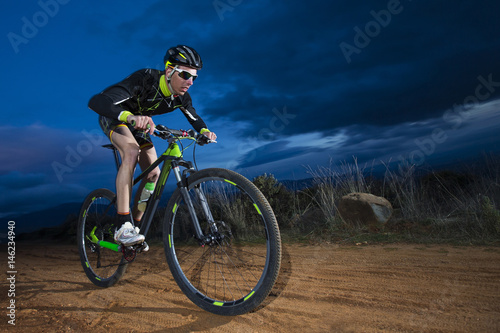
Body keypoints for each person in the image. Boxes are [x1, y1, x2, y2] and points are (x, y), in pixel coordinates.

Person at [88, 45, 217, 249]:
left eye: (194, 77)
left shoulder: (181, 97)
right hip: (115, 116)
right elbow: (96, 101)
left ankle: (135, 229)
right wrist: (128, 116)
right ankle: (123, 225)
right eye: (185, 75)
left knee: (153, 174)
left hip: (139, 123)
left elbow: (194, 117)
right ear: (169, 71)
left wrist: (204, 132)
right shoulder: (144, 80)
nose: (190, 82)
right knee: (131, 151)